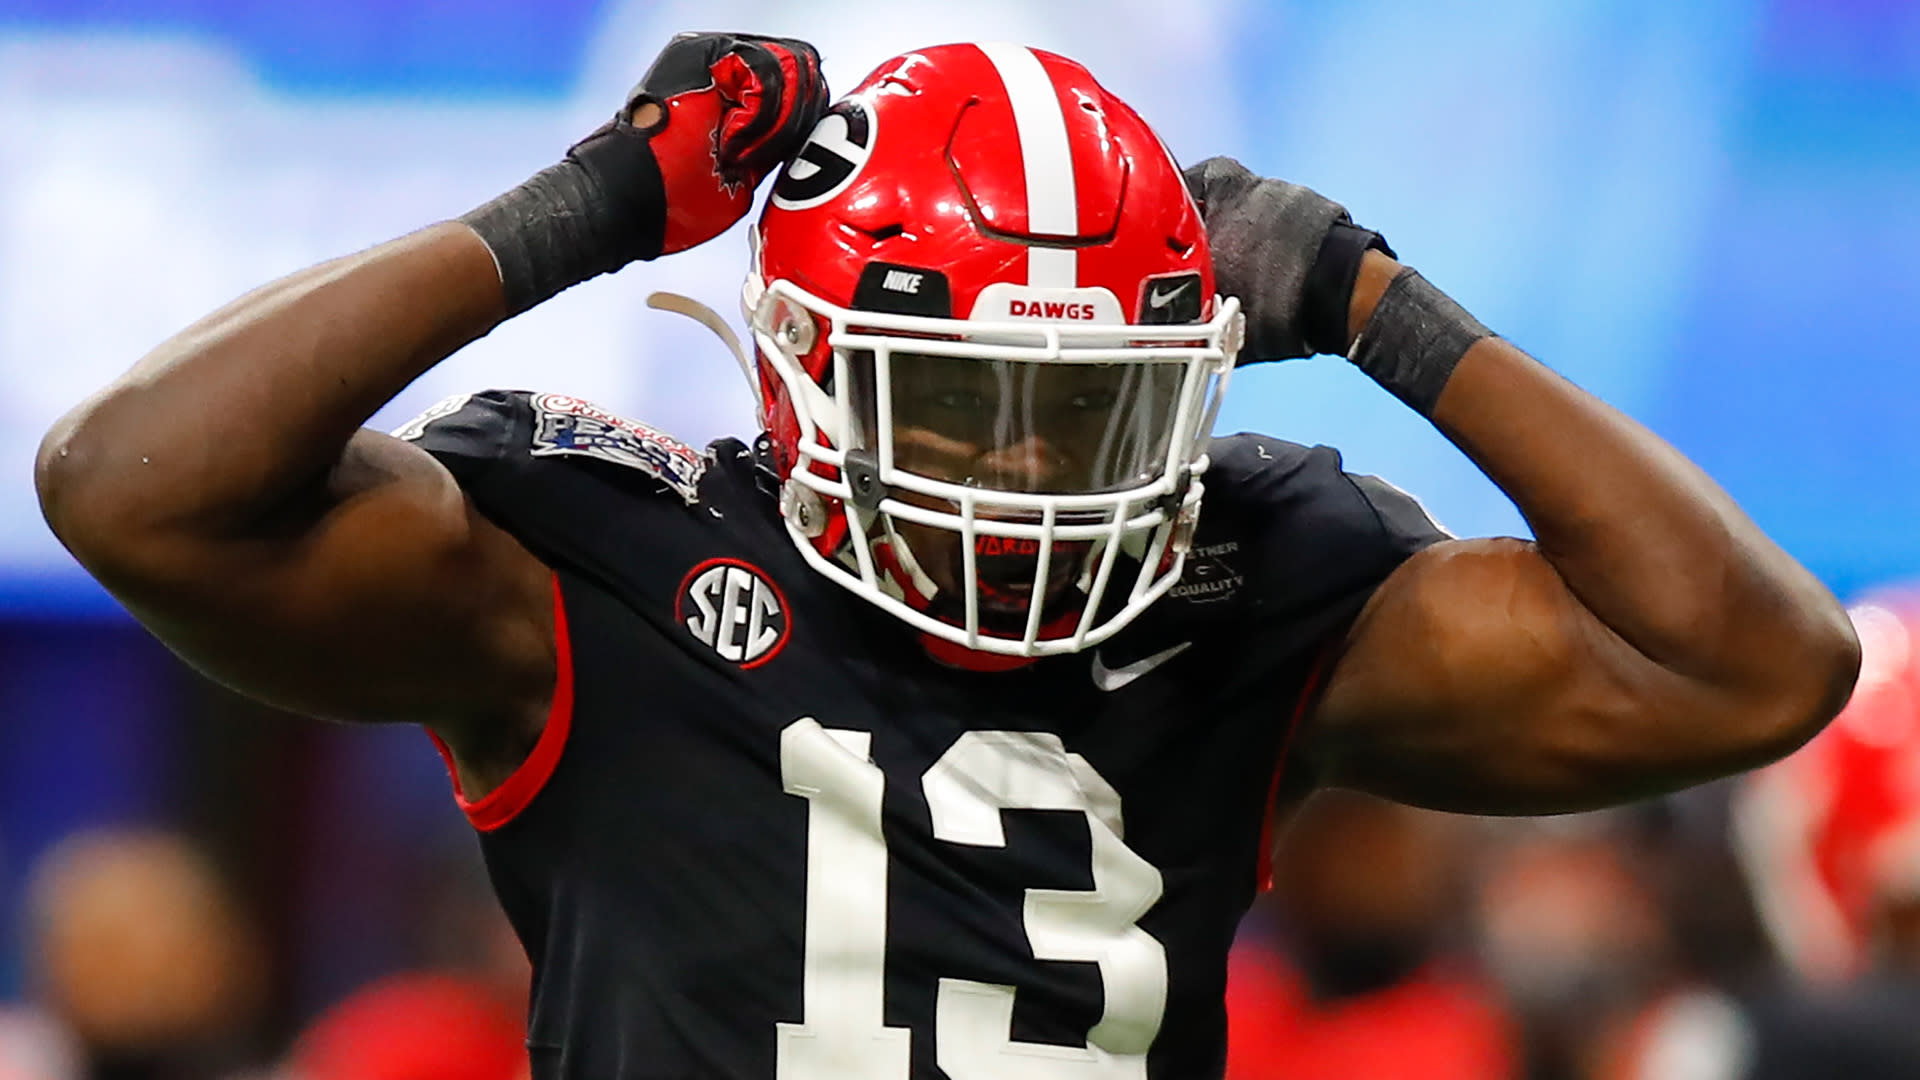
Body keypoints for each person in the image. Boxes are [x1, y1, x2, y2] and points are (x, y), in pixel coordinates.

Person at [34, 29, 1858, 1080]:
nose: (1023, 469)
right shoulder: (592, 552)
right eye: (964, 399)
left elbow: (1753, 661)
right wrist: (581, 209)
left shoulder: (1257, 572)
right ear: (807, 364)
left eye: (1086, 410)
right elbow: (132, 481)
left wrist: (1384, 307)